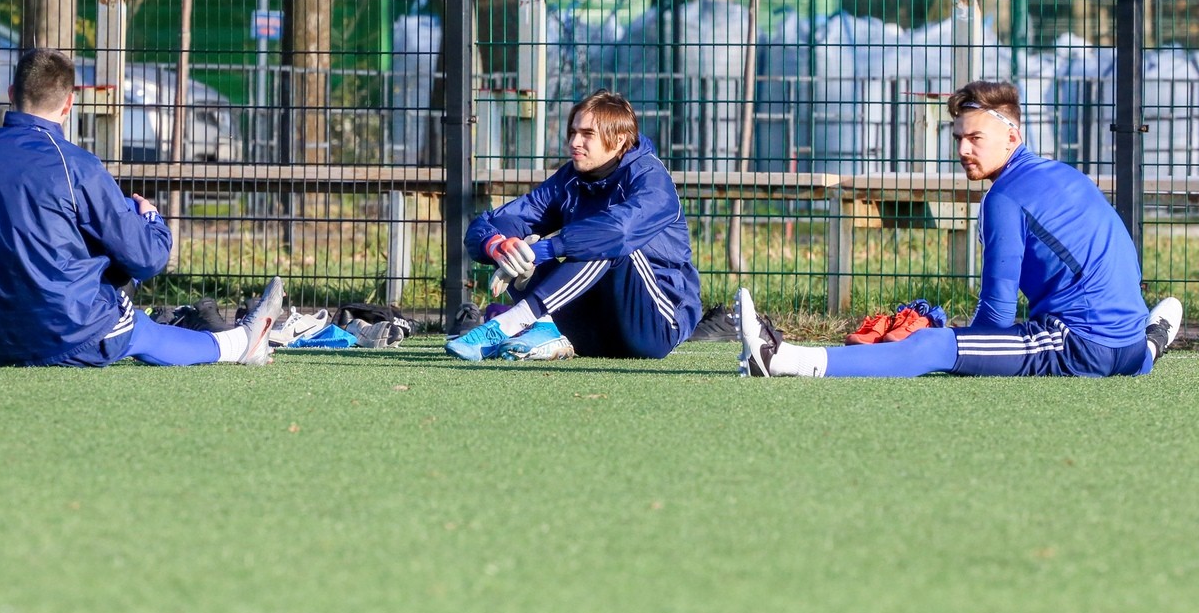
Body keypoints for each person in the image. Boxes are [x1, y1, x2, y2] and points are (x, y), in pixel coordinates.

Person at [735, 80, 1183, 379]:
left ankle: (784, 359)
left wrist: (950, 336)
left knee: (935, 346)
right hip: (1128, 348)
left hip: (1080, 344)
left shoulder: (1003, 198)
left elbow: (997, 320)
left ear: (1012, 137)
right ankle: (1154, 339)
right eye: (959, 139)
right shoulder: (1067, 174)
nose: (964, 149)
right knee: (1128, 352)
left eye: (976, 138)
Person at [0, 47, 283, 367]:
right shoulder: (75, 164)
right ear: (69, 103)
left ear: (11, 93)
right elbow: (147, 258)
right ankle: (241, 343)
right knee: (133, 323)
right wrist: (152, 219)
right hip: (67, 333)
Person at [446, 89, 702, 361]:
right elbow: (494, 222)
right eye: (572, 132)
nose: (574, 142)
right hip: (590, 331)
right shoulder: (570, 178)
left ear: (619, 140)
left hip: (653, 329)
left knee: (605, 242)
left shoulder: (652, 179)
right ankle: (545, 331)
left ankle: (510, 323)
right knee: (514, 241)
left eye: (587, 134)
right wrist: (497, 246)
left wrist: (544, 250)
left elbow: (619, 231)